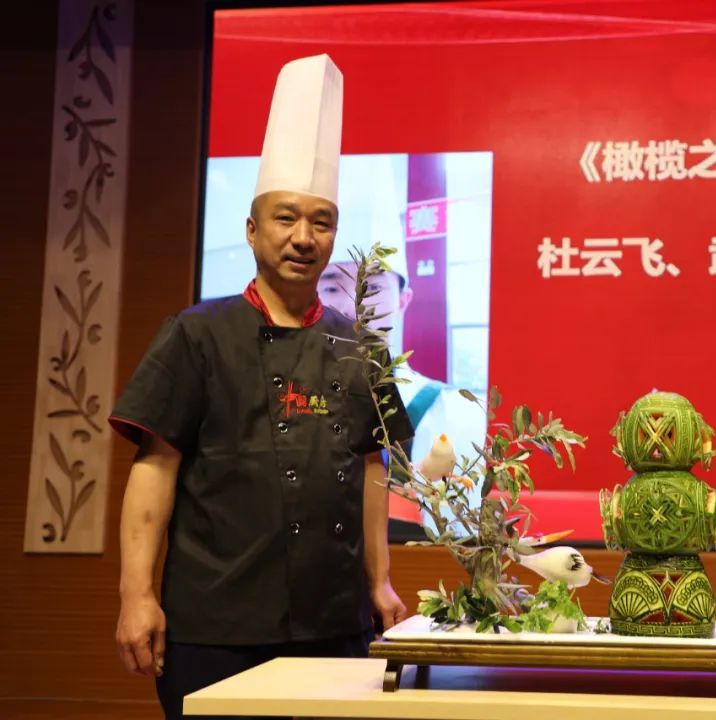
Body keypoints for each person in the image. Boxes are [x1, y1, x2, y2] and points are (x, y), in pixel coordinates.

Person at [110, 55, 413, 720]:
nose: (303, 238)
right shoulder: (196, 334)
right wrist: (137, 595)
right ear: (251, 229)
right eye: (285, 218)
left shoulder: (362, 348)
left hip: (335, 626)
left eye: (321, 222)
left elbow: (373, 468)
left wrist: (380, 582)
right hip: (213, 628)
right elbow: (155, 470)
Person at [316, 167, 487, 537]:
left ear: (403, 300)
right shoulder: (285, 398)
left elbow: (460, 542)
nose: (351, 307)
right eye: (331, 287)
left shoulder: (452, 411)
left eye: (372, 287)